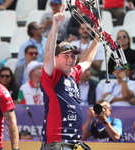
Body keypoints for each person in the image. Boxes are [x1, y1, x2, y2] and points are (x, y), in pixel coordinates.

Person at [40, 5, 99, 149]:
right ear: (56, 58)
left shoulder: (72, 74)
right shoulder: (51, 75)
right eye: (66, 56)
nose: (71, 59)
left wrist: (98, 38)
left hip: (73, 143)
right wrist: (55, 26)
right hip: (57, 143)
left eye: (73, 56)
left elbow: (86, 61)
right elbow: (48, 54)